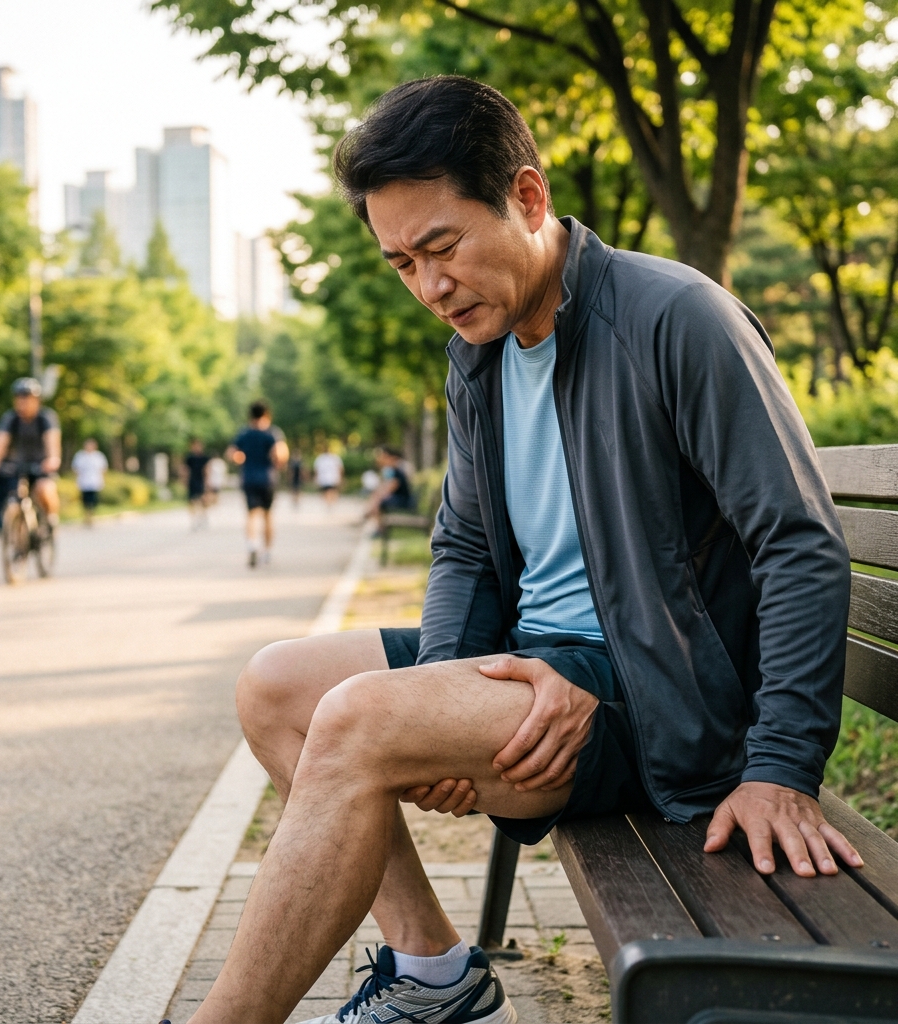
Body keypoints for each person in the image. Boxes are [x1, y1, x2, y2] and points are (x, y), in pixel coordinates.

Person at [179, 78, 861, 1024]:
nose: (428, 287)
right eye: (401, 263)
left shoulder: (676, 319)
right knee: (275, 687)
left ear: (528, 197)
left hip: (659, 705)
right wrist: (443, 688)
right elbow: (464, 545)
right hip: (531, 668)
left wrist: (779, 768)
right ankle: (433, 974)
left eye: (441, 247)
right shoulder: (480, 354)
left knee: (355, 720)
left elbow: (799, 543)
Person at [0, 378, 61, 530]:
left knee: (45, 490)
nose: (22, 403)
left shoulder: (46, 418)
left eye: (26, 398)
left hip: (41, 465)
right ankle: (15, 533)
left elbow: (52, 441)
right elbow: (0, 440)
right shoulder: (11, 418)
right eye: (19, 398)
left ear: (37, 401)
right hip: (18, 465)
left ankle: (51, 519)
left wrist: (53, 459)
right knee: (12, 497)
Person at [226, 401, 289, 568]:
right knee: (268, 515)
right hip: (268, 479)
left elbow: (232, 453)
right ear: (267, 414)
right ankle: (267, 551)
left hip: (248, 479)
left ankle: (252, 546)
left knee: (251, 514)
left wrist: (239, 458)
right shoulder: (273, 433)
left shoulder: (244, 433)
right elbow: (281, 454)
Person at [365, 445, 415, 532]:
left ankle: (379, 528)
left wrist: (379, 497)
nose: (383, 461)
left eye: (385, 458)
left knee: (380, 501)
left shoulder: (397, 471)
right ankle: (374, 522)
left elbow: (392, 487)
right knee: (378, 499)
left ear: (392, 458)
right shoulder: (394, 470)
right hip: (401, 498)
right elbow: (386, 486)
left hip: (404, 500)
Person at [71, 438, 108, 526]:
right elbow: (75, 468)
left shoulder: (99, 456)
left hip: (95, 482)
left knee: (93, 500)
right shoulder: (80, 456)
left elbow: (104, 468)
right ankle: (86, 516)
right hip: (84, 482)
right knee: (85, 501)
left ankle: (91, 516)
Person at [183, 439, 210, 530]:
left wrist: (207, 482)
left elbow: (206, 469)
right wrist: (185, 480)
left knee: (203, 501)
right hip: (192, 480)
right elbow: (186, 469)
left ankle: (203, 517)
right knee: (192, 501)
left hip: (201, 480)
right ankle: (194, 520)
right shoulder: (189, 458)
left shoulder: (204, 458)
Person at [313, 443, 344, 510]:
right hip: (327, 478)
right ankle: (329, 503)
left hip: (330, 477)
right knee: (328, 491)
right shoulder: (322, 458)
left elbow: (340, 468)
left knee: (330, 490)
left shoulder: (333, 458)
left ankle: (330, 503)